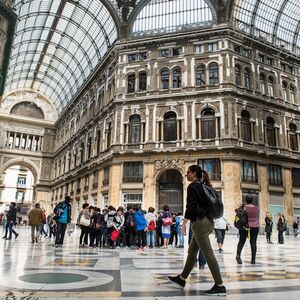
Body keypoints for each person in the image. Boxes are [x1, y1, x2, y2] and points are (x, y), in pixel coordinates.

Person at [168, 165, 226, 296]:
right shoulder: (206, 186)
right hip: (207, 221)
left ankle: (219, 285)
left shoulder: (193, 186)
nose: (186, 175)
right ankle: (182, 278)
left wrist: (184, 223)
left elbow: (191, 207)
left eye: (188, 172)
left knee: (208, 253)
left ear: (194, 173)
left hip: (200, 223)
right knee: (192, 252)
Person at [236, 195, 259, 265]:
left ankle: (238, 255)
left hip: (244, 226)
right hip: (255, 226)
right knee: (253, 242)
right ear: (252, 200)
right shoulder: (257, 208)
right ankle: (253, 260)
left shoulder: (244, 207)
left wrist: (241, 206)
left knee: (241, 241)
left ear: (246, 200)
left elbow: (237, 211)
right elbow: (257, 216)